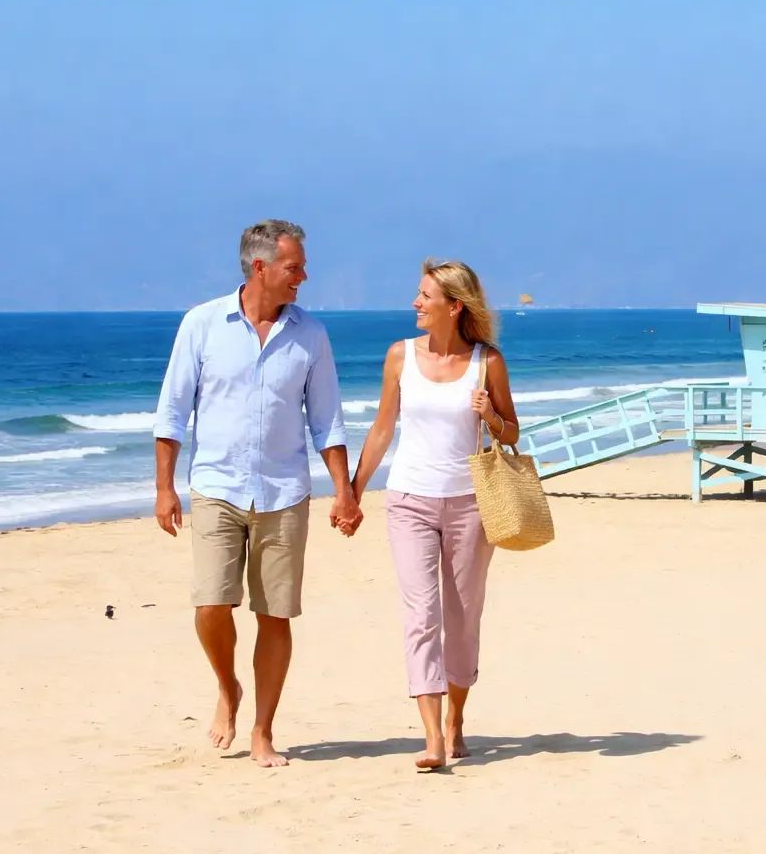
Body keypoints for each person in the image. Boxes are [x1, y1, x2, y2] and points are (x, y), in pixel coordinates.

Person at [152, 219, 361, 768]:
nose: (304, 276)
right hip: (217, 486)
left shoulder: (310, 335)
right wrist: (164, 488)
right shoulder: (202, 325)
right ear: (260, 267)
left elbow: (327, 421)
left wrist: (344, 492)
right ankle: (228, 686)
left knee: (275, 616)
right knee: (210, 604)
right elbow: (173, 413)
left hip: (284, 492)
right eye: (295, 267)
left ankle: (263, 731)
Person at [350, 259, 521, 771]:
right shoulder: (399, 355)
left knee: (462, 620)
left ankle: (456, 720)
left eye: (425, 296)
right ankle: (431, 739)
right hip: (409, 500)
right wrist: (352, 491)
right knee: (420, 617)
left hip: (472, 504)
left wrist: (490, 414)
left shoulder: (487, 361)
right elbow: (382, 429)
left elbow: (512, 432)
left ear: (455, 305)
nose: (415, 304)